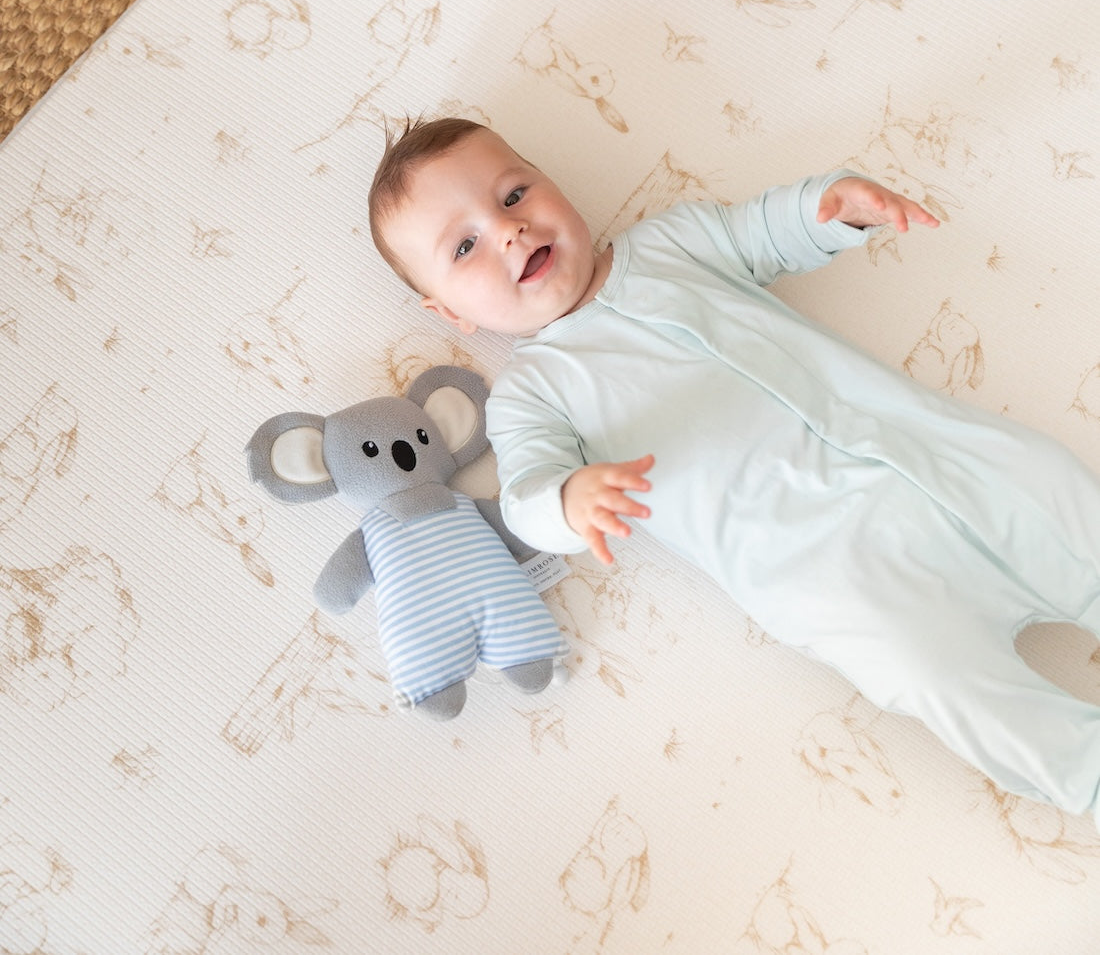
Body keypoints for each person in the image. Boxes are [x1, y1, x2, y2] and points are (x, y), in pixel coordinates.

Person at [369, 116, 1100, 826]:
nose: (507, 231)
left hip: (928, 450)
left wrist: (828, 207)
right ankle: (1083, 768)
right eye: (465, 245)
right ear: (451, 313)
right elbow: (527, 498)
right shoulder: (534, 393)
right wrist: (569, 500)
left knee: (1051, 491)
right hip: (834, 571)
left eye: (513, 195)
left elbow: (759, 233)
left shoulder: (671, 243)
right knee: (934, 674)